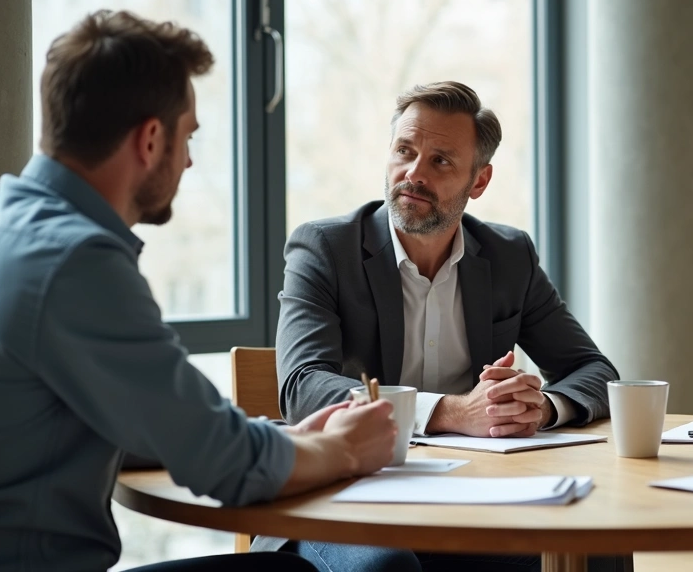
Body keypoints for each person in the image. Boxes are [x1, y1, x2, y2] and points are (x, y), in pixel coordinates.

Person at [0, 10, 398, 572]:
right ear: (150, 138)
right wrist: (340, 448)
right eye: (187, 134)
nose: (190, 158)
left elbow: (152, 422)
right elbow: (226, 467)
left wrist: (282, 440)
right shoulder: (73, 262)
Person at [259, 81, 620, 571]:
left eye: (441, 161)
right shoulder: (325, 248)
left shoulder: (509, 256)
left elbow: (594, 370)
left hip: (470, 495)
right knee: (387, 567)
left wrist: (540, 409)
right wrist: (450, 411)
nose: (413, 173)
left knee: (597, 544)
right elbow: (303, 386)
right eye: (404, 151)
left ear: (480, 181)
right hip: (339, 495)